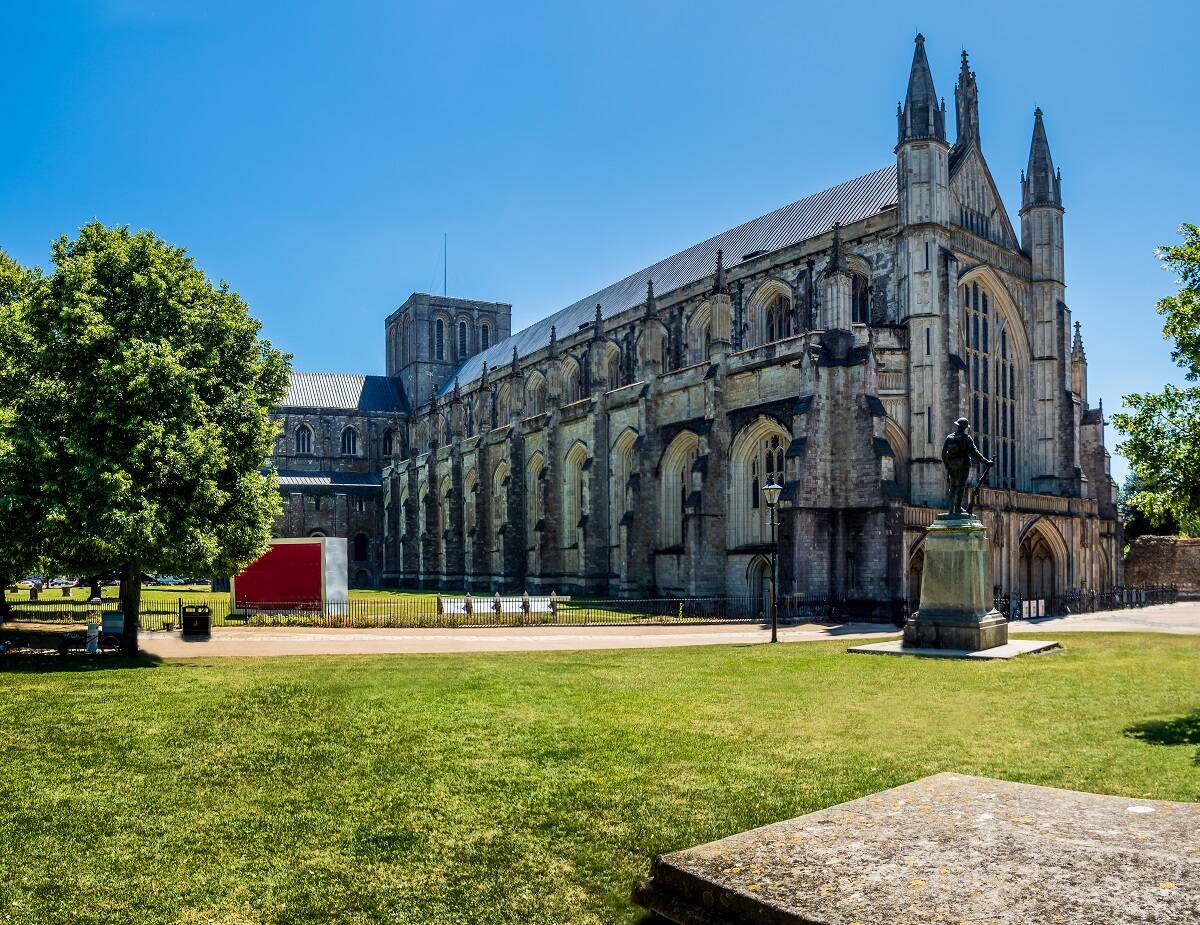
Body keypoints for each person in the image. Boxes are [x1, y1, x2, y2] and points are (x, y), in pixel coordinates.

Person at [941, 417, 992, 517]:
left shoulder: (949, 437)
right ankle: (958, 509)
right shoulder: (966, 438)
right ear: (964, 428)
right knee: (960, 487)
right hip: (963, 465)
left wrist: (947, 466)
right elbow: (975, 453)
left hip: (952, 466)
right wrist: (986, 462)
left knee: (952, 487)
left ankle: (951, 510)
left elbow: (943, 455)